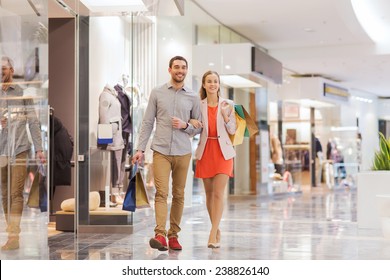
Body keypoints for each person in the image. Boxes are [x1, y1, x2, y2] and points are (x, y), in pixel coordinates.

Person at [132, 56, 201, 251]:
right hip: (160, 150)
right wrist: (140, 149)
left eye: (184, 67)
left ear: (186, 71)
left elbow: (198, 127)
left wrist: (185, 125)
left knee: (179, 194)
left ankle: (174, 236)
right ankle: (160, 235)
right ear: (169, 69)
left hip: (183, 152)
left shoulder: (193, 97)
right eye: (177, 67)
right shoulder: (157, 93)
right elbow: (147, 122)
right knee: (161, 193)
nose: (180, 70)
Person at [0, 56, 46, 250]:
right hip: (1, 151)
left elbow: (33, 122)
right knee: (4, 194)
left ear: (11, 70)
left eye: (4, 69)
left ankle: (13, 236)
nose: (1, 73)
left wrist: (39, 149)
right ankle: (11, 233)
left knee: (15, 193)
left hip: (20, 150)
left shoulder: (21, 93)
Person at [190, 70, 237, 248]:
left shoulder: (228, 104)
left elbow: (232, 130)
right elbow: (194, 129)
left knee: (218, 193)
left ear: (219, 84)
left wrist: (225, 117)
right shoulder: (198, 104)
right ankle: (216, 229)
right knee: (208, 195)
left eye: (215, 81)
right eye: (209, 81)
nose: (212, 84)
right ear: (203, 84)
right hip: (205, 151)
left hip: (223, 152)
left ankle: (212, 233)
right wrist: (191, 124)